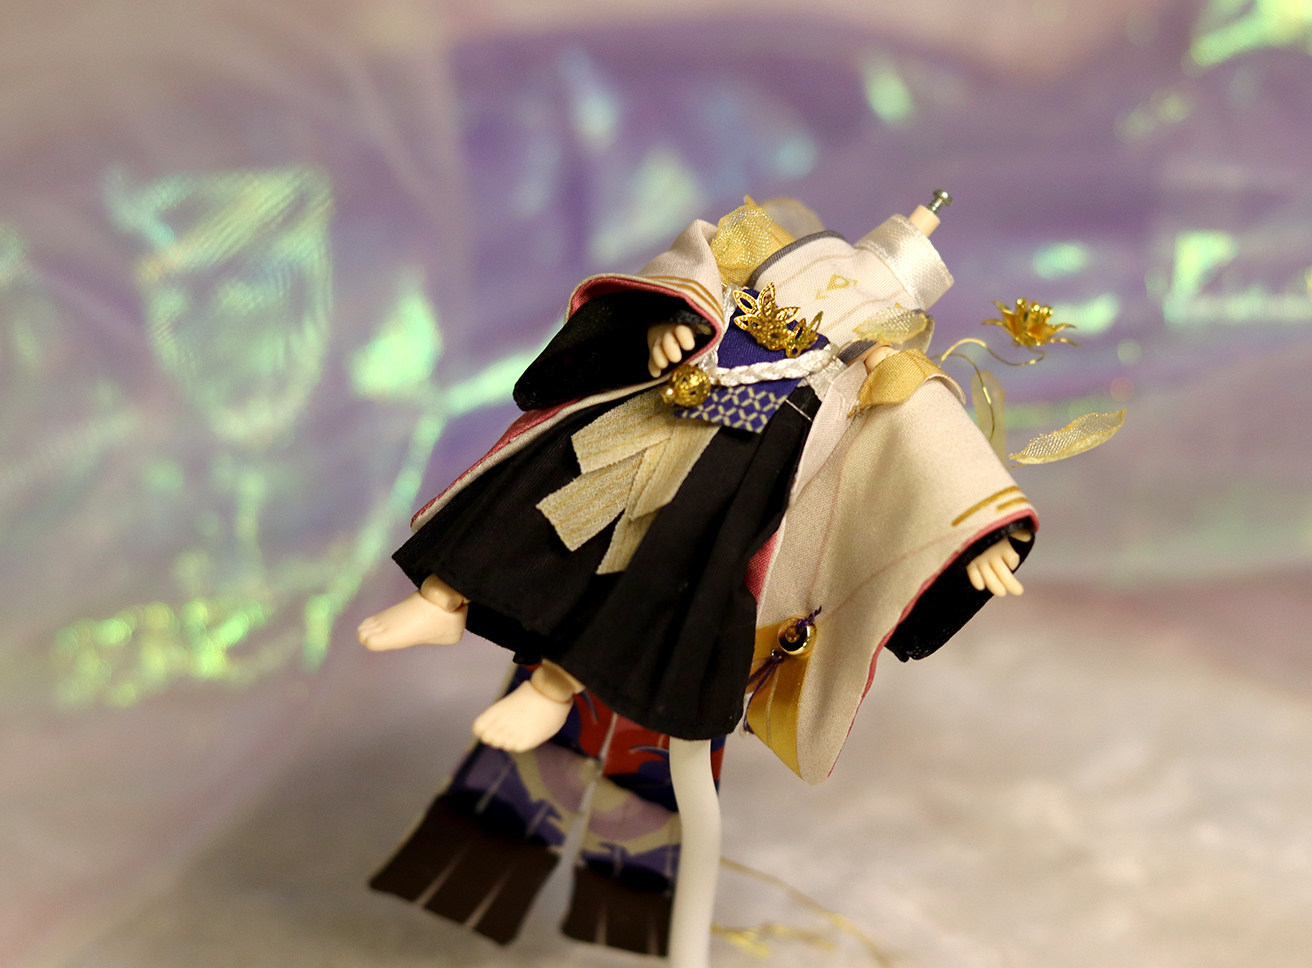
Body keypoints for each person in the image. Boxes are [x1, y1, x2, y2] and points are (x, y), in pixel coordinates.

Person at [359, 193, 1036, 786]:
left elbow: (930, 435)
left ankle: (555, 687)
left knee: (660, 566)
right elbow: (695, 273)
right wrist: (670, 326)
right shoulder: (768, 264)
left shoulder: (880, 350)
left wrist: (981, 532)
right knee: (544, 471)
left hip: (747, 451)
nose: (843, 285)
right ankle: (444, 596)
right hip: (670, 394)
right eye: (844, 271)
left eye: (867, 284)